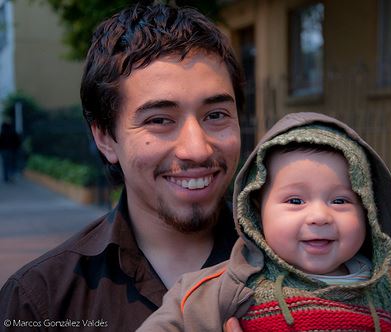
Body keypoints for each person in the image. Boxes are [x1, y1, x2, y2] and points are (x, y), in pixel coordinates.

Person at [0, 2, 244, 331]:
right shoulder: (39, 303)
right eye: (159, 120)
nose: (196, 149)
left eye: (215, 115)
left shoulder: (311, 266)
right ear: (104, 138)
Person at [137, 112, 391, 332]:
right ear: (256, 212)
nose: (319, 216)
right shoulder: (229, 288)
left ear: (368, 212)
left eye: (340, 201)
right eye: (295, 201)